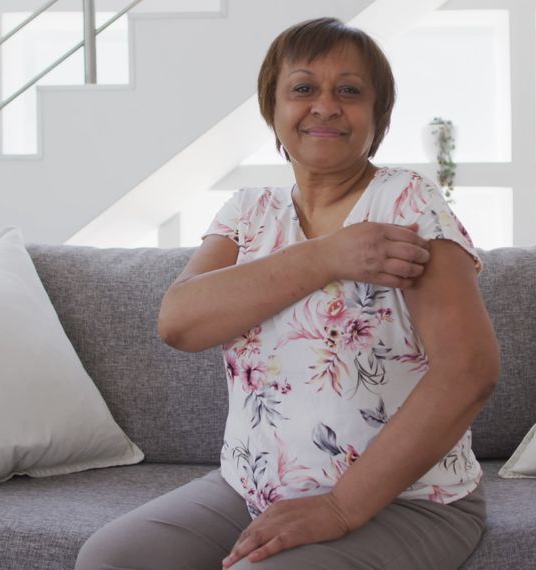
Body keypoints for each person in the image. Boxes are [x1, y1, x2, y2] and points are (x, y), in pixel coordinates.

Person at [75, 17, 500, 570]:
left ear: (379, 117)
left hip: (411, 502)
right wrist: (328, 256)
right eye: (303, 89)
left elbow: (469, 370)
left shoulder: (407, 204)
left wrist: (341, 508)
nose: (325, 105)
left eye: (349, 90)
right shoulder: (247, 214)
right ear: (272, 111)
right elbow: (179, 322)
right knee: (110, 560)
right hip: (247, 492)